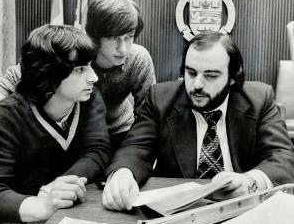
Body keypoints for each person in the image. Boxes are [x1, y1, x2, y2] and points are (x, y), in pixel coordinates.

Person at [102, 30, 294, 211]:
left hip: (242, 211)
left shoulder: (259, 99)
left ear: (233, 77)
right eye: (191, 73)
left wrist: (250, 182)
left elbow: (283, 157)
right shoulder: (160, 98)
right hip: (178, 215)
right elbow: (135, 148)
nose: (197, 85)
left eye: (211, 75)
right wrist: (123, 174)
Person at [0, 0, 155, 172]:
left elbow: (149, 114)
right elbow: (9, 82)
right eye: (114, 38)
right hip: (78, 136)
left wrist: (137, 156)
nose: (123, 49)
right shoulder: (74, 51)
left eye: (129, 37)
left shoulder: (139, 58)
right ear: (96, 35)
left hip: (119, 133)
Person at [0, 25, 111, 224]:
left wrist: (56, 191)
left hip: (75, 203)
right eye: (80, 69)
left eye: (90, 66)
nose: (94, 77)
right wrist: (42, 208)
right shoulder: (3, 117)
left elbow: (98, 151)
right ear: (51, 74)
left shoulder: (89, 100)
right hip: (19, 215)